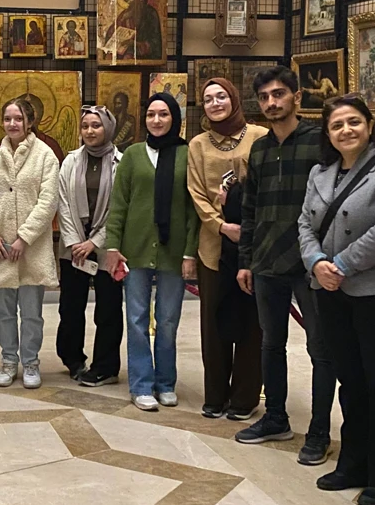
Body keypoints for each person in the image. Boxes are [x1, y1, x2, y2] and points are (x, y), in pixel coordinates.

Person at [298, 95, 375, 505]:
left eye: (354, 122)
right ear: (327, 133)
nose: (346, 130)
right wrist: (316, 262)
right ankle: (354, 463)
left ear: (369, 125)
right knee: (349, 380)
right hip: (330, 292)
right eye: (336, 125)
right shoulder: (319, 173)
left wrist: (341, 264)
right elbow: (304, 224)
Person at [234, 67, 334, 466]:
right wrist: (246, 260)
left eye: (278, 94)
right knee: (271, 343)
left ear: (296, 96)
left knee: (320, 349)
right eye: (264, 97)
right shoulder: (259, 149)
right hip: (266, 261)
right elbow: (250, 209)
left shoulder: (320, 142)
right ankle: (275, 417)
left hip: (311, 263)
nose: (272, 102)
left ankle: (320, 431)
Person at [104, 95, 198, 411]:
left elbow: (193, 208)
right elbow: (119, 203)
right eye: (151, 115)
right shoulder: (132, 155)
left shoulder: (187, 154)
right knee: (136, 319)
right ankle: (141, 384)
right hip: (135, 250)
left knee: (168, 320)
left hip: (174, 251)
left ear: (175, 119)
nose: (156, 120)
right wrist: (113, 247)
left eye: (164, 114)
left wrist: (190, 252)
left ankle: (166, 382)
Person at [188, 77, 268, 419]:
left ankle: (244, 398)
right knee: (214, 324)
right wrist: (221, 226)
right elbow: (195, 192)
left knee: (252, 324)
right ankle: (216, 395)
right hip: (213, 245)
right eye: (208, 99)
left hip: (254, 244)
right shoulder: (198, 144)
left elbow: (267, 186)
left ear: (234, 99)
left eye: (221, 96)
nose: (215, 103)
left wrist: (245, 227)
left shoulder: (260, 136)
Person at [0, 97, 60, 389]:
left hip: (32, 248)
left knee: (32, 313)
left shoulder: (45, 155)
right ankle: (8, 361)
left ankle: (31, 362)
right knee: (5, 311)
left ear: (30, 122)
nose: (13, 124)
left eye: (19, 119)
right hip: (0, 246)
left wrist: (25, 237)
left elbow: (48, 201)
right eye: (8, 118)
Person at [55, 106, 123, 386]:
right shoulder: (70, 161)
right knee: (71, 306)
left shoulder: (122, 162)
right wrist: (75, 242)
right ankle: (72, 359)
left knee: (108, 309)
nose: (90, 131)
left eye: (96, 125)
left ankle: (105, 367)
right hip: (73, 246)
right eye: (85, 126)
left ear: (108, 128)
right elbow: (62, 202)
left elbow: (120, 209)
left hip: (108, 246)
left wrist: (94, 242)